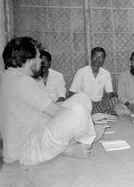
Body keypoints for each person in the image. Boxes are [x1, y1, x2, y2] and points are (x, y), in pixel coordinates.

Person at [0, 37, 105, 165]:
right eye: (38, 57)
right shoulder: (23, 82)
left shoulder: (10, 78)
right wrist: (89, 124)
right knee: (79, 111)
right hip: (28, 149)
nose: (41, 61)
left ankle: (69, 144)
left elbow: (46, 109)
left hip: (33, 133)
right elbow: (56, 112)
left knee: (82, 98)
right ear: (29, 60)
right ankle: (84, 141)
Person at [69, 47, 117, 115]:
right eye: (95, 56)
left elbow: (110, 92)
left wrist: (105, 99)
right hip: (84, 104)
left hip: (99, 103)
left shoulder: (106, 73)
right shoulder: (81, 72)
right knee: (79, 107)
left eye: (101, 57)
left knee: (115, 100)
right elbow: (72, 93)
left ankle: (95, 113)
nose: (98, 59)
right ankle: (94, 113)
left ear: (104, 59)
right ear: (91, 57)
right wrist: (86, 102)